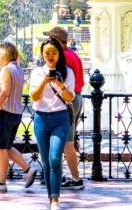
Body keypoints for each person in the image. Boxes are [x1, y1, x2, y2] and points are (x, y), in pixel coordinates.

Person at [0, 41, 36, 192]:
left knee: (1, 148)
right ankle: (28, 170)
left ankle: (1, 183)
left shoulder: (6, 70)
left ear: (6, 54)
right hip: (16, 113)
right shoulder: (18, 69)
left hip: (4, 114)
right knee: (7, 147)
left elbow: (5, 92)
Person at [30, 38, 75, 210]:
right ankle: (51, 198)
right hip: (41, 119)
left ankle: (55, 200)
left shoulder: (67, 72)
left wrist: (60, 85)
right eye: (47, 53)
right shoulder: (37, 73)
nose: (50, 56)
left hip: (60, 119)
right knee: (46, 161)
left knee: (55, 158)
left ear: (59, 54)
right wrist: (44, 81)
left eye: (54, 52)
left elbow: (70, 98)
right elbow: (34, 97)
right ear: (42, 54)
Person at [48, 26, 85, 190]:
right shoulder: (72, 55)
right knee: (64, 140)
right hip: (76, 98)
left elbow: (59, 82)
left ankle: (76, 179)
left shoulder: (64, 57)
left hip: (68, 101)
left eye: (50, 38)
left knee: (67, 143)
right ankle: (60, 175)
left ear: (56, 39)